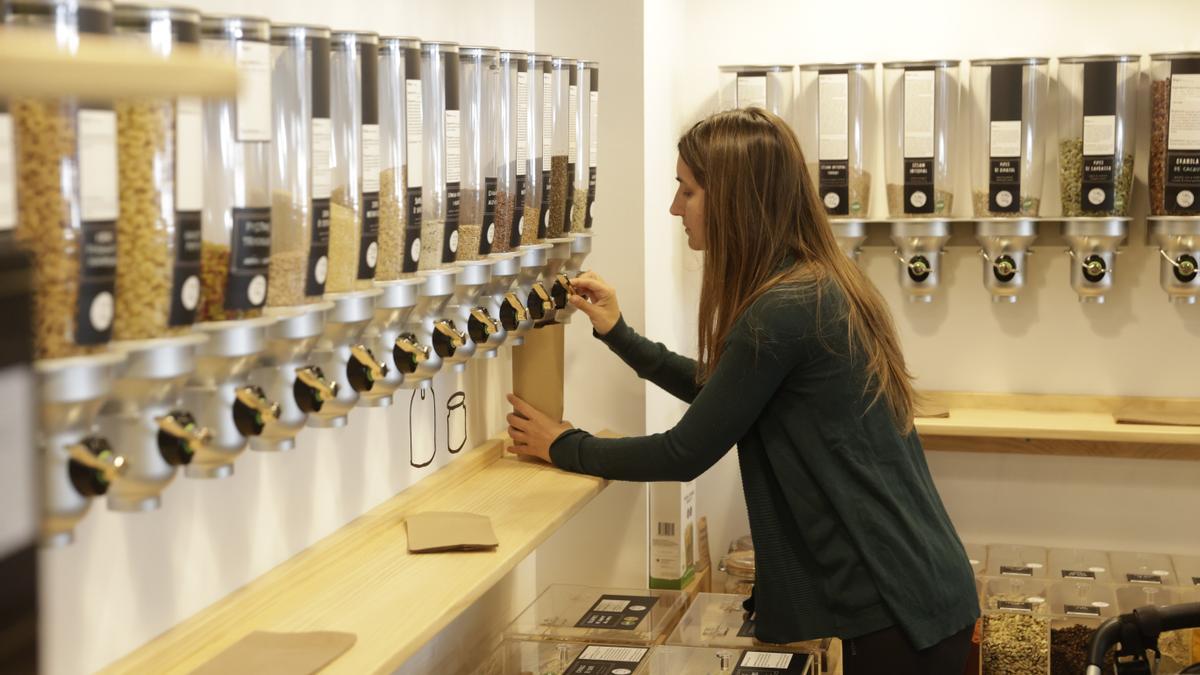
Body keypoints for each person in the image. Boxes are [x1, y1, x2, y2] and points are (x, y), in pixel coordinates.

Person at [505, 107, 979, 675]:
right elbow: (727, 390)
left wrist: (563, 445)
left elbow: (684, 452)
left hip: (897, 611)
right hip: (917, 591)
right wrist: (619, 334)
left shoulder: (784, 309)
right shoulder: (812, 282)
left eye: (687, 190)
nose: (675, 207)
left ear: (733, 199)